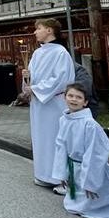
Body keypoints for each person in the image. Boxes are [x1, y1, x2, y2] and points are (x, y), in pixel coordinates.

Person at [50, 83, 109, 218]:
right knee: (76, 196)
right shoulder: (64, 120)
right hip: (73, 164)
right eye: (71, 96)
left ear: (85, 102)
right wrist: (62, 172)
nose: (74, 100)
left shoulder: (89, 124)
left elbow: (95, 153)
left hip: (88, 166)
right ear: (64, 97)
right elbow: (60, 146)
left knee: (93, 198)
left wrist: (90, 182)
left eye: (79, 97)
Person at [23, 18, 76, 189]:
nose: (35, 32)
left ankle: (59, 178)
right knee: (41, 138)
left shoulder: (61, 53)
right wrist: (27, 78)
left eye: (38, 28)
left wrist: (37, 89)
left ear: (49, 30)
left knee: (55, 138)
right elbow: (33, 79)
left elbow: (61, 79)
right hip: (39, 104)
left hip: (54, 104)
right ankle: (43, 173)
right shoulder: (37, 53)